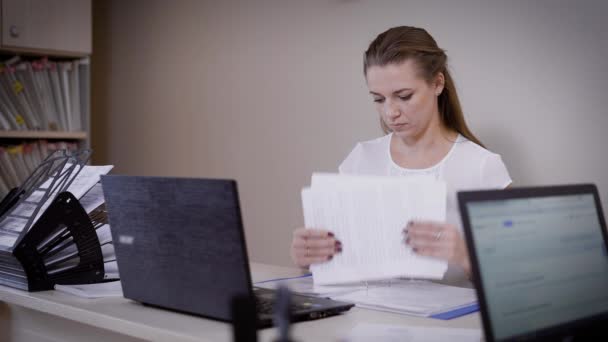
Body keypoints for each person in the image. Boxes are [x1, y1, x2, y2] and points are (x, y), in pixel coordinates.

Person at [290, 26, 511, 281]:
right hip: (368, 314)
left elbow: (514, 282)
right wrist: (309, 258)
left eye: (403, 96)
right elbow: (338, 263)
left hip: (448, 320)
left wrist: (465, 256)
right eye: (378, 99)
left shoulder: (482, 167)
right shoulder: (361, 159)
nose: (390, 112)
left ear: (438, 83)